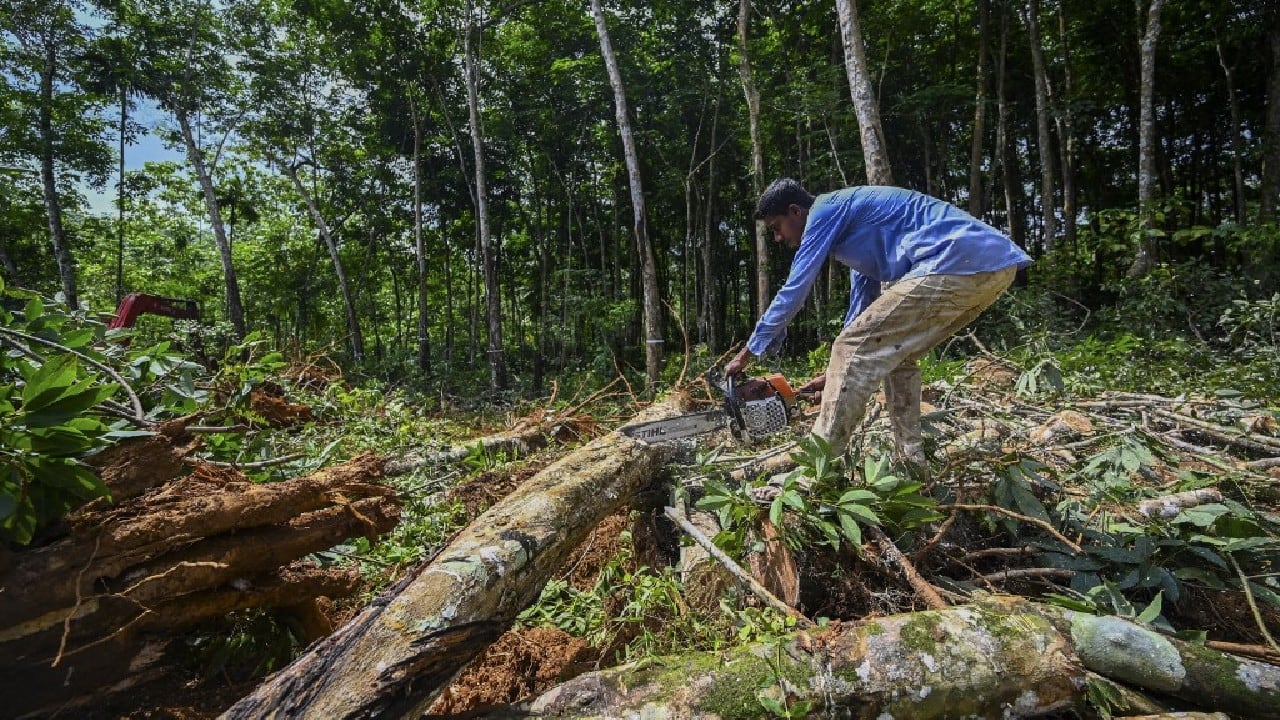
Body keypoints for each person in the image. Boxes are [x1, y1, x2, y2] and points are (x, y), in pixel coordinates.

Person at [724, 179, 1032, 475]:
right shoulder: (855, 226)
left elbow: (796, 288)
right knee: (897, 355)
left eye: (776, 227)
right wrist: (835, 374)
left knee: (850, 347)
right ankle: (911, 465)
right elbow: (862, 307)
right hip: (993, 267)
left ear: (796, 211)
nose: (778, 238)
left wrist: (749, 351)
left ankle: (815, 470)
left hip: (953, 259)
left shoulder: (824, 213)